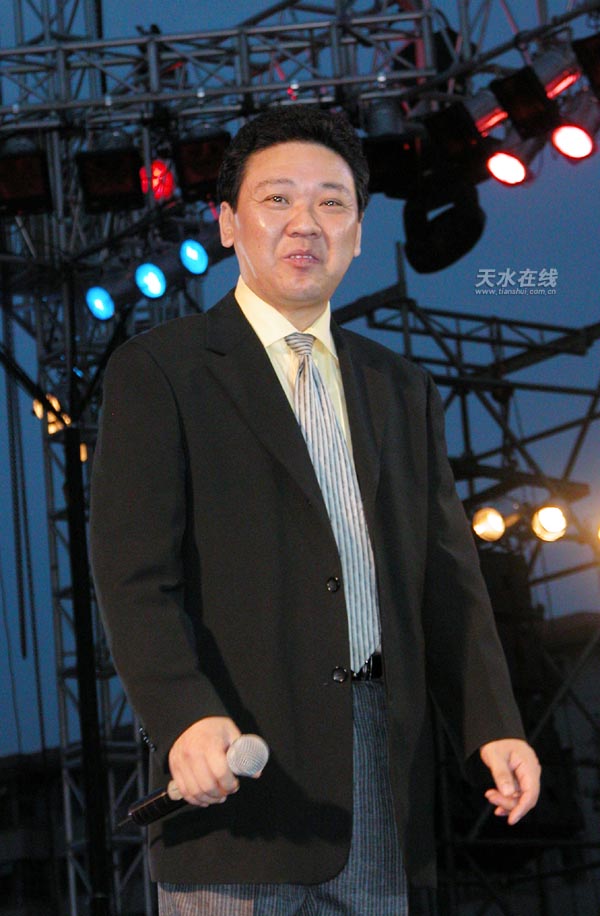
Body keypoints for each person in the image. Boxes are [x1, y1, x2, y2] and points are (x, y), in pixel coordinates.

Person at [90, 106, 540, 915]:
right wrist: (185, 717)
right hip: (237, 769)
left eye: (332, 203)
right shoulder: (161, 370)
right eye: (278, 199)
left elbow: (448, 579)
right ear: (228, 224)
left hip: (382, 769)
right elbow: (134, 577)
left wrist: (492, 725)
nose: (307, 223)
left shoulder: (401, 387)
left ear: (359, 233)